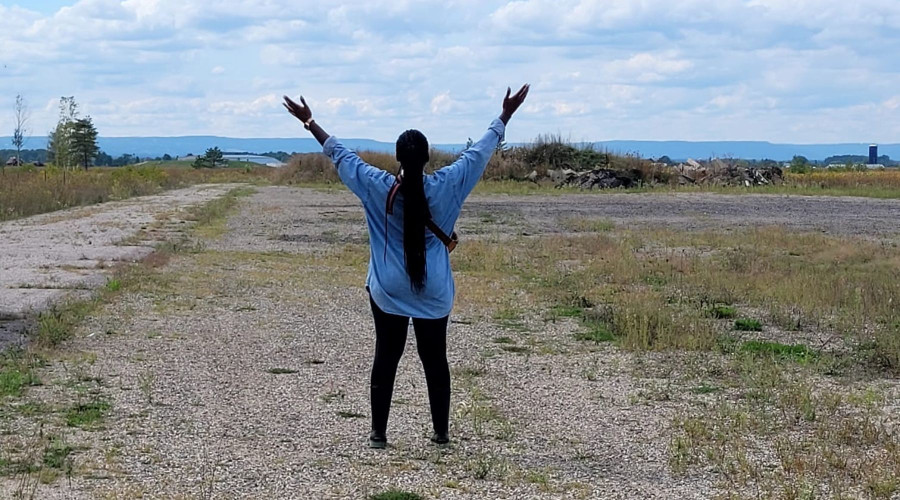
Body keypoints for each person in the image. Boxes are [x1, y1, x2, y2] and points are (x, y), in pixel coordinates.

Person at [283, 84, 530, 448]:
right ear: (428, 158)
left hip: (389, 287)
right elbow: (479, 153)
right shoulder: (449, 185)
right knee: (435, 359)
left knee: (386, 354)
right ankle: (441, 432)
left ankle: (379, 433)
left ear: (397, 158)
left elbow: (341, 155)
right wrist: (505, 114)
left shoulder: (375, 186)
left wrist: (310, 121)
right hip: (434, 290)